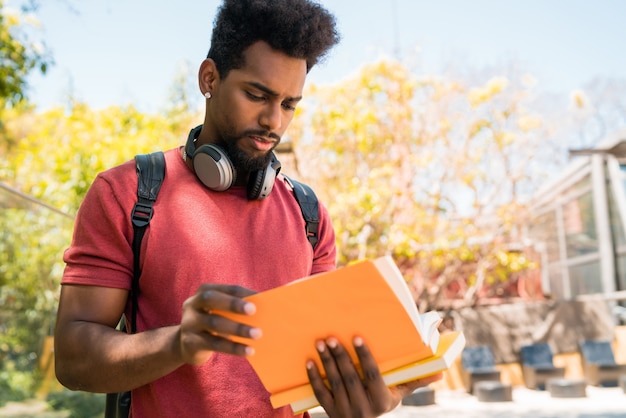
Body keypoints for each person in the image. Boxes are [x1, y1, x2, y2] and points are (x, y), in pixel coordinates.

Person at [53, 0, 441, 417]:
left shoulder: (309, 215)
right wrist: (179, 343)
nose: (274, 121)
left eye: (290, 104)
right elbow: (74, 360)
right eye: (257, 95)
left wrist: (372, 397)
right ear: (210, 78)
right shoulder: (128, 194)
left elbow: (319, 367)